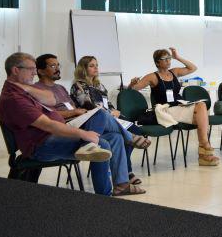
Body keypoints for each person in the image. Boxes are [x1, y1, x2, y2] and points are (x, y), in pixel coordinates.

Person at [0, 53, 141, 196]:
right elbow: (48, 125)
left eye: (35, 69)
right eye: (31, 69)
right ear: (16, 70)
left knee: (114, 137)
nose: (34, 73)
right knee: (102, 142)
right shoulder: (14, 99)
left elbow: (51, 100)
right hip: (41, 143)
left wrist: (25, 87)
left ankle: (120, 185)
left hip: (56, 132)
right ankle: (103, 196)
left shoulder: (22, 90)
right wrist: (84, 134)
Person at [37, 54, 149, 187]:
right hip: (78, 123)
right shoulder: (45, 89)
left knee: (117, 136)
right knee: (103, 116)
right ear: (41, 71)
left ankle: (121, 184)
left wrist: (114, 112)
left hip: (87, 119)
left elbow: (104, 103)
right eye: (53, 65)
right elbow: (86, 107)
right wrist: (75, 112)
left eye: (58, 65)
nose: (57, 68)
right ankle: (128, 142)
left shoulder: (63, 88)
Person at [129, 48, 219, 166]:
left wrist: (178, 57)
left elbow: (193, 68)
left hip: (180, 106)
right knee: (202, 117)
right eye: (164, 59)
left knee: (201, 107)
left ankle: (204, 151)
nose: (168, 61)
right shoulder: (153, 76)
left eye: (169, 58)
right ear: (157, 62)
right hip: (165, 110)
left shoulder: (174, 72)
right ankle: (205, 152)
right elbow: (133, 90)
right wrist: (131, 84)